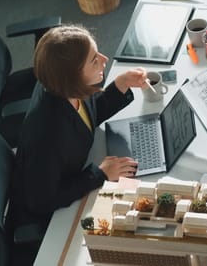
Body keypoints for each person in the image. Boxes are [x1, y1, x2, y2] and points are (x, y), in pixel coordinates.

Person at [8, 25, 148, 263]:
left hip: (67, 175)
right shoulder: (47, 133)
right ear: (72, 76)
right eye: (94, 60)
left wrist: (120, 84)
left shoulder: (66, 91)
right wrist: (99, 173)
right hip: (50, 216)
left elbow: (87, 118)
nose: (104, 60)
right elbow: (43, 200)